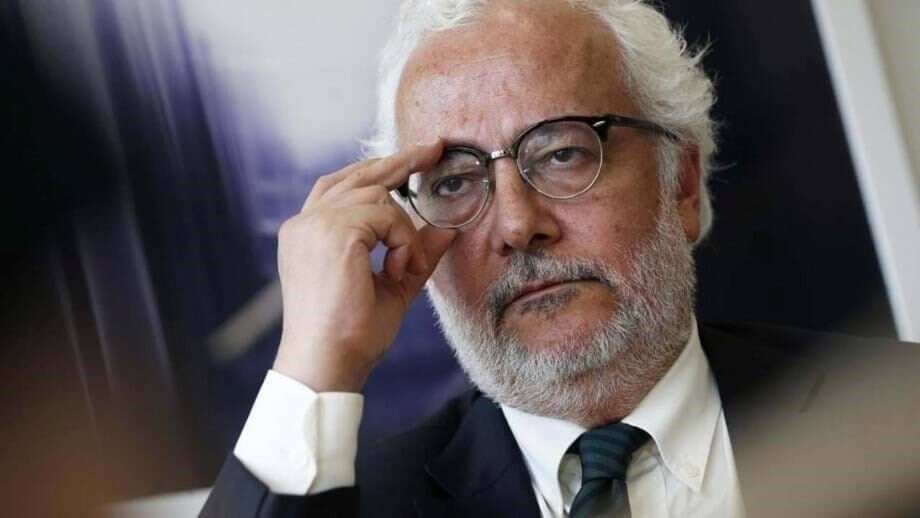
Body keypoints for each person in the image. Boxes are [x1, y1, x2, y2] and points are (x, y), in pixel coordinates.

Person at [202, 0, 920, 516]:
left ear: (681, 183)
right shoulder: (358, 503)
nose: (517, 226)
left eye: (563, 153)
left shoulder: (901, 417)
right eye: (454, 182)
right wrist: (314, 361)